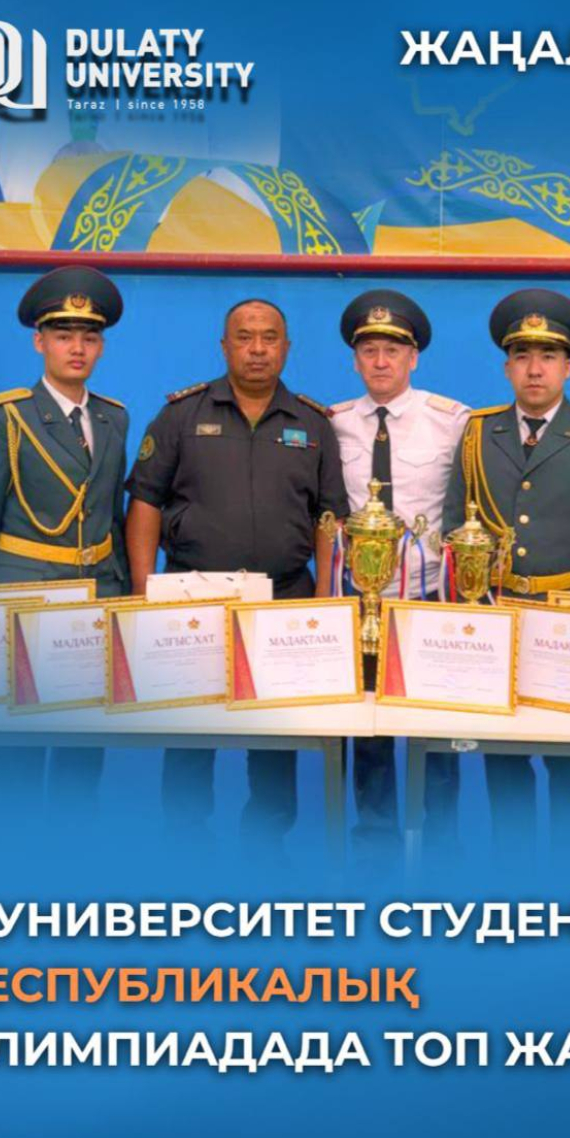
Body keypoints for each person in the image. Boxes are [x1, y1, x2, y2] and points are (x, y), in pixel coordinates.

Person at [125, 299, 349, 854]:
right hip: (192, 597)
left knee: (275, 734)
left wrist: (324, 599)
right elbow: (145, 501)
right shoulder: (181, 416)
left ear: (286, 348)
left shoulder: (313, 424)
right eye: (244, 337)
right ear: (224, 346)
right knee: (189, 730)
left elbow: (329, 517)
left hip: (284, 598)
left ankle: (265, 849)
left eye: (269, 338)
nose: (257, 349)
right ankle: (186, 848)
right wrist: (141, 591)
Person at [443, 289, 570, 864]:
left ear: (568, 367)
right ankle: (513, 877)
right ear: (507, 366)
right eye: (523, 356)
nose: (535, 369)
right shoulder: (479, 433)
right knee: (502, 759)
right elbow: (456, 529)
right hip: (498, 615)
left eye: (549, 357)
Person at [0, 265, 130, 811]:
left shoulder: (113, 418)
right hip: (23, 592)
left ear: (101, 347)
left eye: (89, 338)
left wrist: (122, 596)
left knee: (86, 741)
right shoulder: (6, 416)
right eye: (63, 335)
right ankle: (15, 848)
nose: (77, 348)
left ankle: (73, 846)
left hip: (96, 594)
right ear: (39, 342)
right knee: (20, 746)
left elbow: (111, 517)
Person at [329, 290, 468, 860]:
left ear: (414, 357)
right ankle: (375, 843)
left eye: (393, 350)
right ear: (355, 360)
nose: (381, 362)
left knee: (438, 728)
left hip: (428, 594)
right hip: (358, 597)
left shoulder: (452, 421)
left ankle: (442, 845)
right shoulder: (334, 423)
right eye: (369, 351)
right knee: (367, 729)